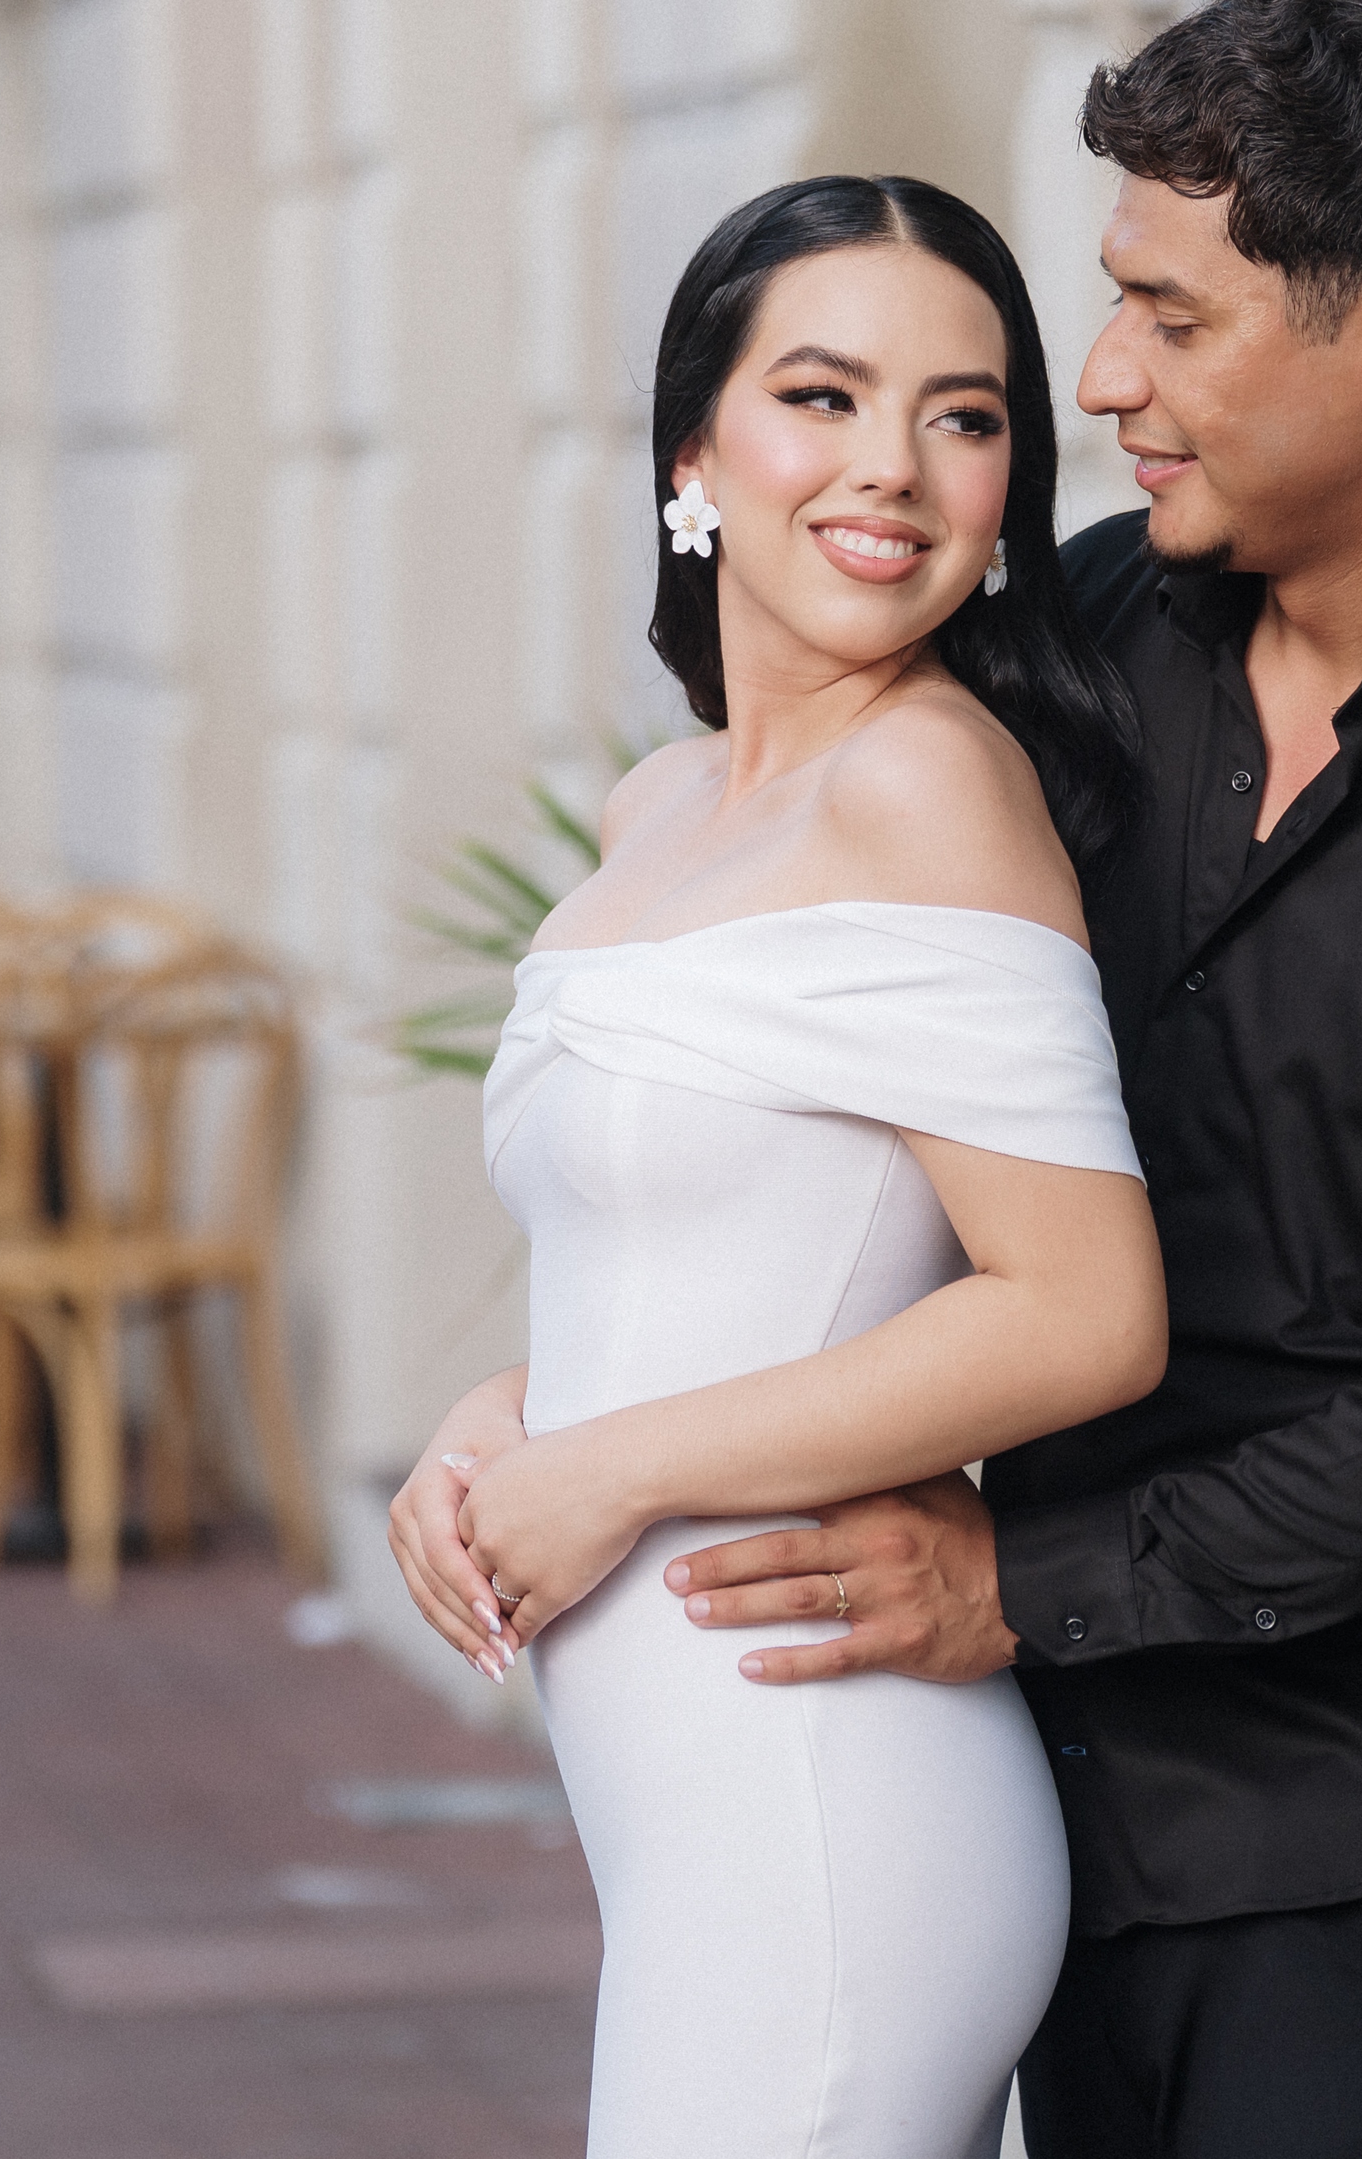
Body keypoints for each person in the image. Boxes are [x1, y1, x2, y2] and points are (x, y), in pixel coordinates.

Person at [663, 0, 1362, 2156]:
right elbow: (808, 1045)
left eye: (1168, 317)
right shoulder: (1079, 641)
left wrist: (1013, 1586)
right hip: (1026, 1818)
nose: (1103, 378)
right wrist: (570, 1391)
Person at [383, 174, 1166, 2159]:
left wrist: (612, 1469)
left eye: (962, 416)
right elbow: (728, 1254)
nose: (891, 464)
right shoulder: (658, 807)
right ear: (693, 454)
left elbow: (1082, 1311)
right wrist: (507, 1417)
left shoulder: (929, 781)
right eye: (822, 396)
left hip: (826, 1811)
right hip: (703, 1808)